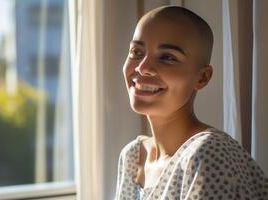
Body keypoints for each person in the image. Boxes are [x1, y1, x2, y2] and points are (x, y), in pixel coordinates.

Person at [115, 6, 268, 199]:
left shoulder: (209, 154)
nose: (143, 67)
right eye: (136, 52)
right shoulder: (131, 157)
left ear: (202, 78)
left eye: (167, 57)